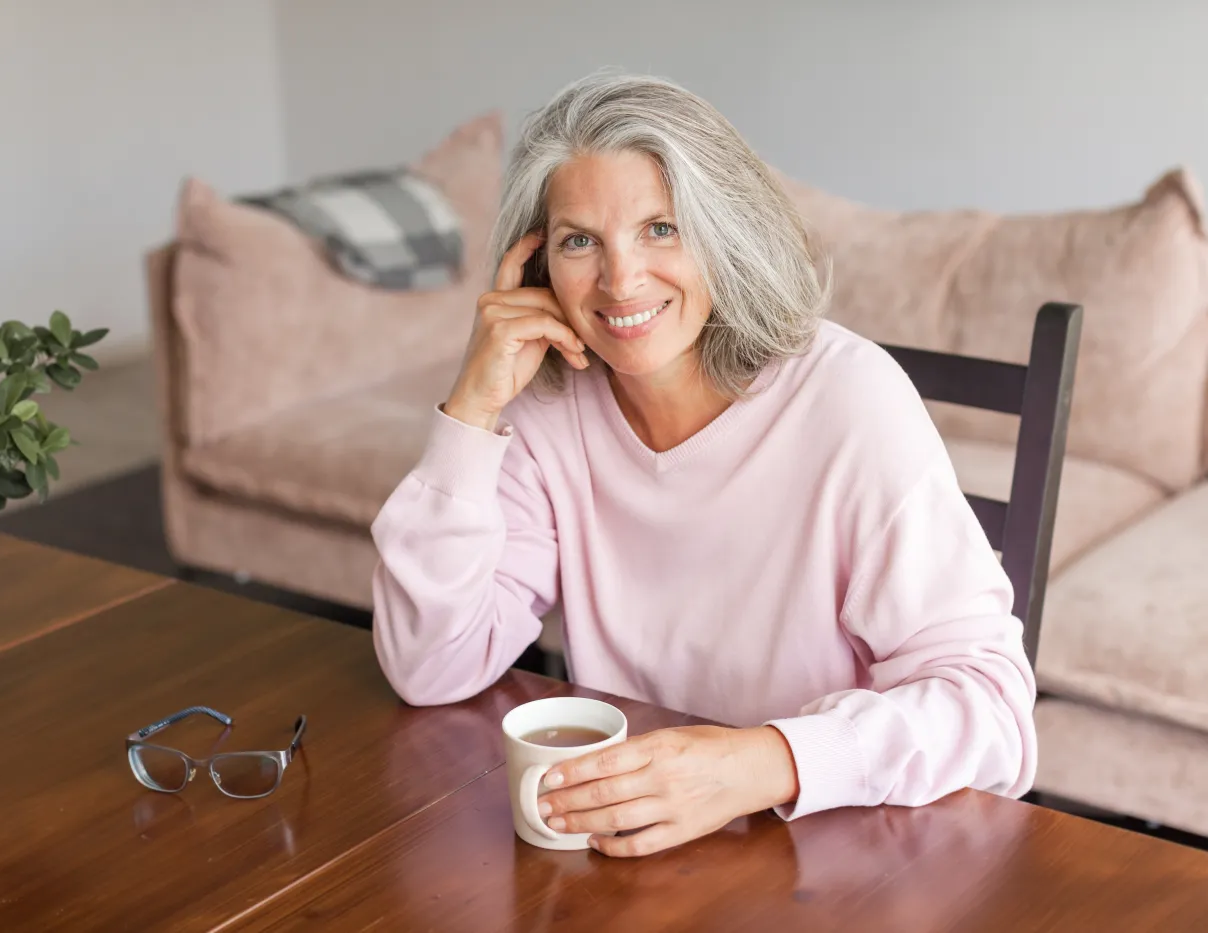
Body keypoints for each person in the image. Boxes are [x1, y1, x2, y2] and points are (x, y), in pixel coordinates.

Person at [370, 73, 1036, 857]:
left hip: (835, 848)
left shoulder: (847, 400)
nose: (621, 281)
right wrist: (471, 413)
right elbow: (430, 665)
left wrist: (766, 761)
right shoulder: (549, 406)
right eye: (580, 239)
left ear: (725, 232)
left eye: (661, 228)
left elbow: (993, 715)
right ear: (537, 264)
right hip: (634, 844)